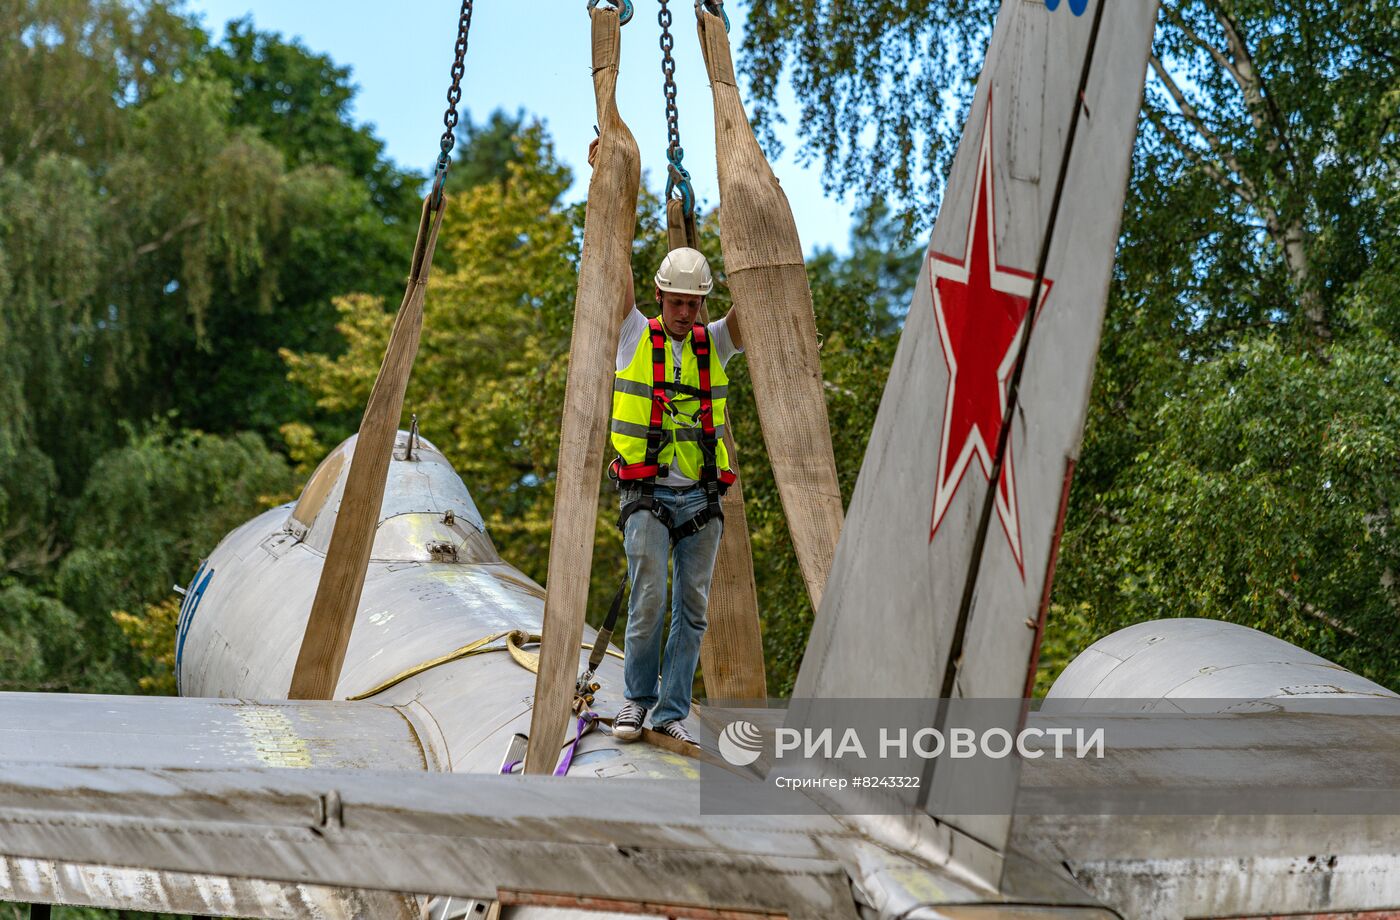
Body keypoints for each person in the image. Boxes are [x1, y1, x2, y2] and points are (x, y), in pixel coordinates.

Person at [588, 139, 745, 746]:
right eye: (677, 302)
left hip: (703, 499)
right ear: (660, 298)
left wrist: (742, 212)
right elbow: (612, 264)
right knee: (650, 596)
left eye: (694, 303)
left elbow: (755, 302)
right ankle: (637, 700)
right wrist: (608, 187)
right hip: (647, 494)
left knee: (694, 609)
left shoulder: (714, 343)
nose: (685, 311)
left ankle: (672, 711)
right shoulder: (634, 335)